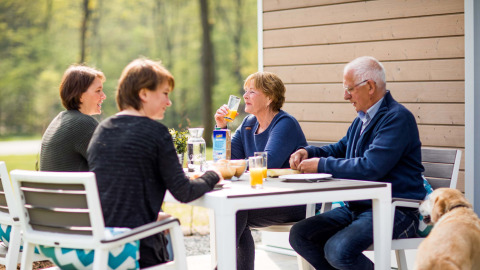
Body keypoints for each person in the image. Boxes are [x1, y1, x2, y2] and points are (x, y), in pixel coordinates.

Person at [288, 56, 426, 270]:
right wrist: (309, 152)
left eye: (349, 89)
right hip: (361, 206)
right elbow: (340, 149)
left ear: (370, 86)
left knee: (338, 250)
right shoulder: (362, 119)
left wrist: (320, 165)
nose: (345, 96)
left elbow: (370, 167)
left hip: (396, 210)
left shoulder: (397, 118)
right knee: (301, 234)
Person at [87, 58, 222, 268]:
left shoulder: (102, 129)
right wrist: (214, 173)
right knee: (170, 225)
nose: (169, 102)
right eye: (165, 94)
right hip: (135, 248)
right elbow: (184, 192)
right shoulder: (156, 133)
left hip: (100, 246)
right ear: (144, 93)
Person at [214, 71, 308, 270]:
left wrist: (236, 166)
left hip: (295, 199)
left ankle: (223, 266)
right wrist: (221, 127)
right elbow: (230, 161)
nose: (245, 96)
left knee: (237, 211)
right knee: (234, 210)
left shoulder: (284, 124)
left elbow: (268, 162)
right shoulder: (248, 124)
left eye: (252, 92)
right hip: (262, 196)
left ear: (270, 97)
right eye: (245, 91)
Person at [40, 65, 106, 171]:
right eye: (98, 90)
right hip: (74, 188)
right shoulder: (83, 123)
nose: (103, 96)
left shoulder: (59, 120)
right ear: (80, 95)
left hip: (54, 187)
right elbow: (111, 164)